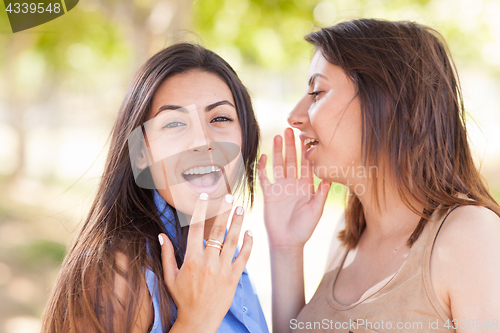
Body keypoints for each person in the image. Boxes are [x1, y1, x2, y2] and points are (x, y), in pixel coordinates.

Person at [258, 19, 500, 333]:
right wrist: (286, 248)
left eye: (317, 93)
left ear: (387, 102)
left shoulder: (469, 235)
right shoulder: (347, 235)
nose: (294, 116)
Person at [41, 43, 269, 333]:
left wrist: (288, 248)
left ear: (245, 138)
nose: (202, 141)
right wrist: (195, 322)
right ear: (141, 153)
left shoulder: (222, 247)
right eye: (174, 123)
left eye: (220, 118)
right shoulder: (119, 270)